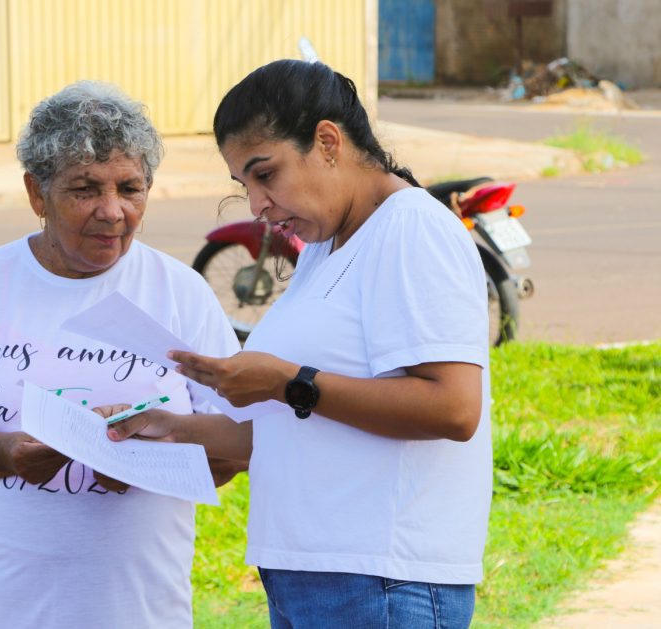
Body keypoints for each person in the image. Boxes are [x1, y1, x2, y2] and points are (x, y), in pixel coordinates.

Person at [107, 60, 492, 628]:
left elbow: (453, 408)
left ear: (328, 142)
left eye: (266, 174)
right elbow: (303, 432)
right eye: (244, 185)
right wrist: (170, 427)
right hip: (313, 576)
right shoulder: (324, 247)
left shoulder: (410, 228)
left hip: (381, 580)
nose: (258, 203)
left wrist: (288, 382)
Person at [0, 81, 243, 628]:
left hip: (134, 610)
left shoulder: (179, 293)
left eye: (131, 187)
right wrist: (7, 453)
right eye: (84, 189)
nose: (112, 211)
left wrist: (143, 462)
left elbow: (233, 445)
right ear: (37, 193)